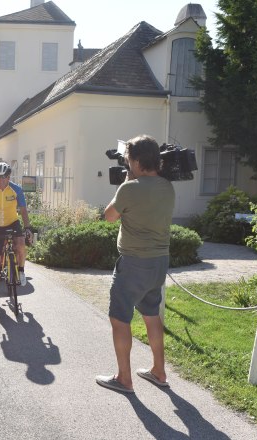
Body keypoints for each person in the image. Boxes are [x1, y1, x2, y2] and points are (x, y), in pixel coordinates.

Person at [95, 134, 175, 394]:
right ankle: (159, 372)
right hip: (159, 262)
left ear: (138, 162)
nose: (127, 165)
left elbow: (108, 217)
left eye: (129, 161)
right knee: (152, 315)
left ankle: (124, 379)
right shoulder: (167, 186)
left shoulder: (129, 188)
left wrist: (126, 184)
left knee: (119, 319)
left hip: (133, 264)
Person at [0, 161, 32, 304]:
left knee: (21, 244)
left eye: (4, 177)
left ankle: (21, 270)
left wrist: (27, 227)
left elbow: (23, 210)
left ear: (9, 177)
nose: (1, 180)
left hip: (12, 222)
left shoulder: (17, 190)